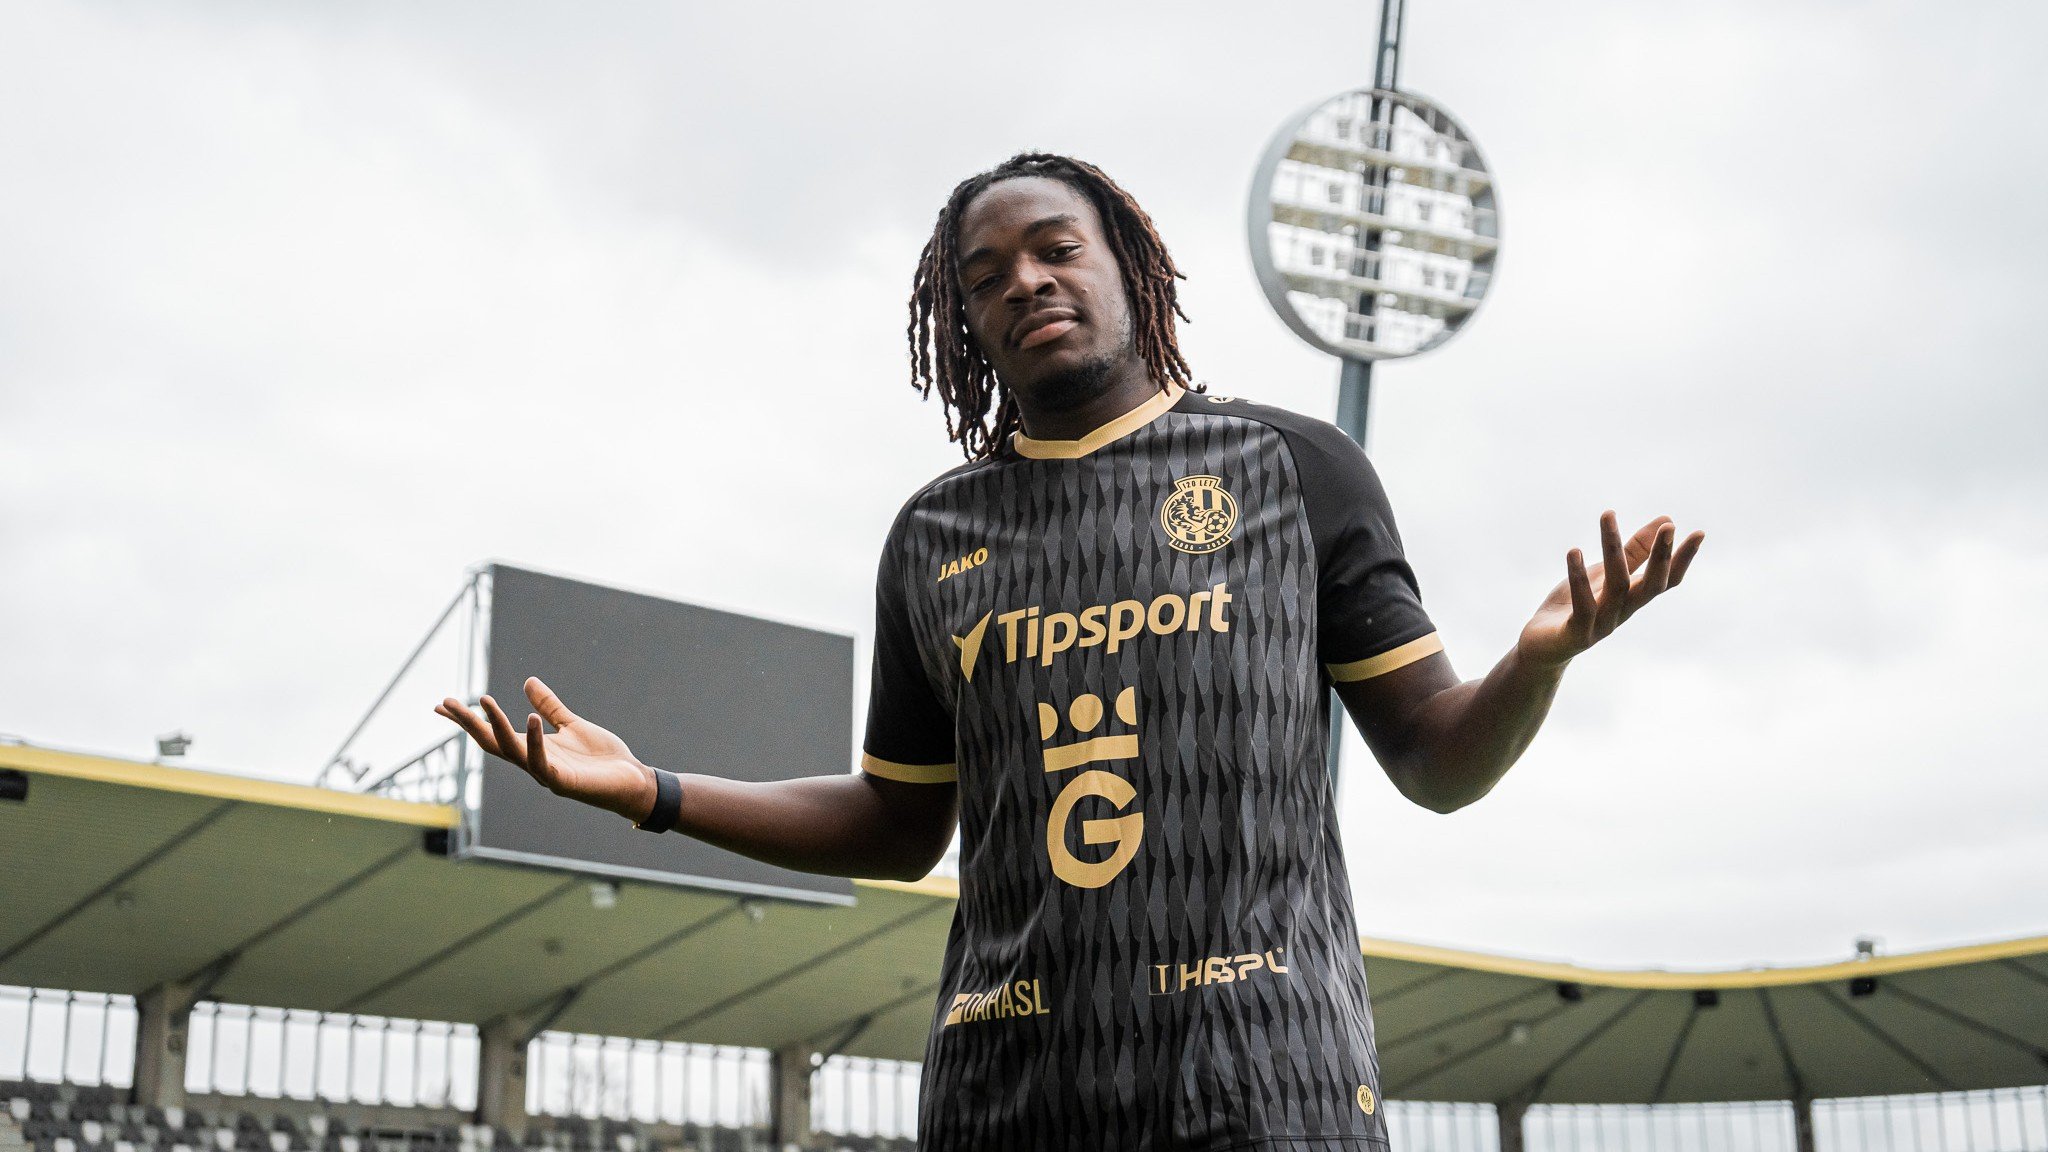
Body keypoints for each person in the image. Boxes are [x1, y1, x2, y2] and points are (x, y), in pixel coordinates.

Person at [437, 152, 1704, 1152]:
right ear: (962, 322)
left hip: (1267, 1082)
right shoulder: (935, 536)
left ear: (1127, 267)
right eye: (985, 275)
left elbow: (1435, 762)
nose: (1025, 283)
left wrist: (1533, 665)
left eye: (1056, 249)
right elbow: (898, 822)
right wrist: (652, 791)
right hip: (1008, 1093)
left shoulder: (1290, 470)